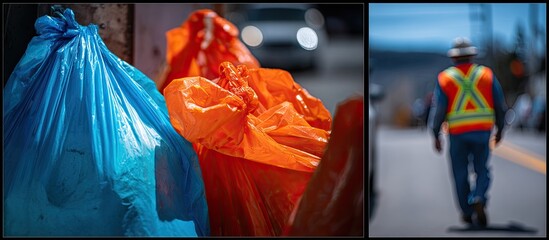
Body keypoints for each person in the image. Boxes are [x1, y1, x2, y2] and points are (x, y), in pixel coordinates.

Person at [429, 37, 508, 227]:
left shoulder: (445, 78)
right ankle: (478, 196)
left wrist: (435, 133)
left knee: (460, 173)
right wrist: (501, 129)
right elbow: (500, 106)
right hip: (482, 131)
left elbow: (439, 110)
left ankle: (467, 211)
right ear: (472, 55)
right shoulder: (486, 75)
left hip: (457, 134)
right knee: (482, 169)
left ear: (454, 58)